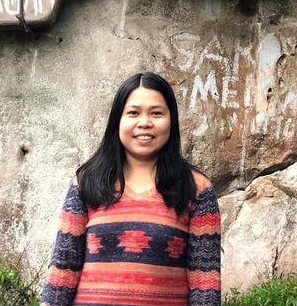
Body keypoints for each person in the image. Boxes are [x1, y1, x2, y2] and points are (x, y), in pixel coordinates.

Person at [40, 72, 221, 306]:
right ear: (118, 120)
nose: (144, 122)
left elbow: (205, 284)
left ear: (171, 120)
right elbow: (64, 268)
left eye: (156, 113)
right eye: (133, 113)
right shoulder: (87, 183)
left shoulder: (197, 189)